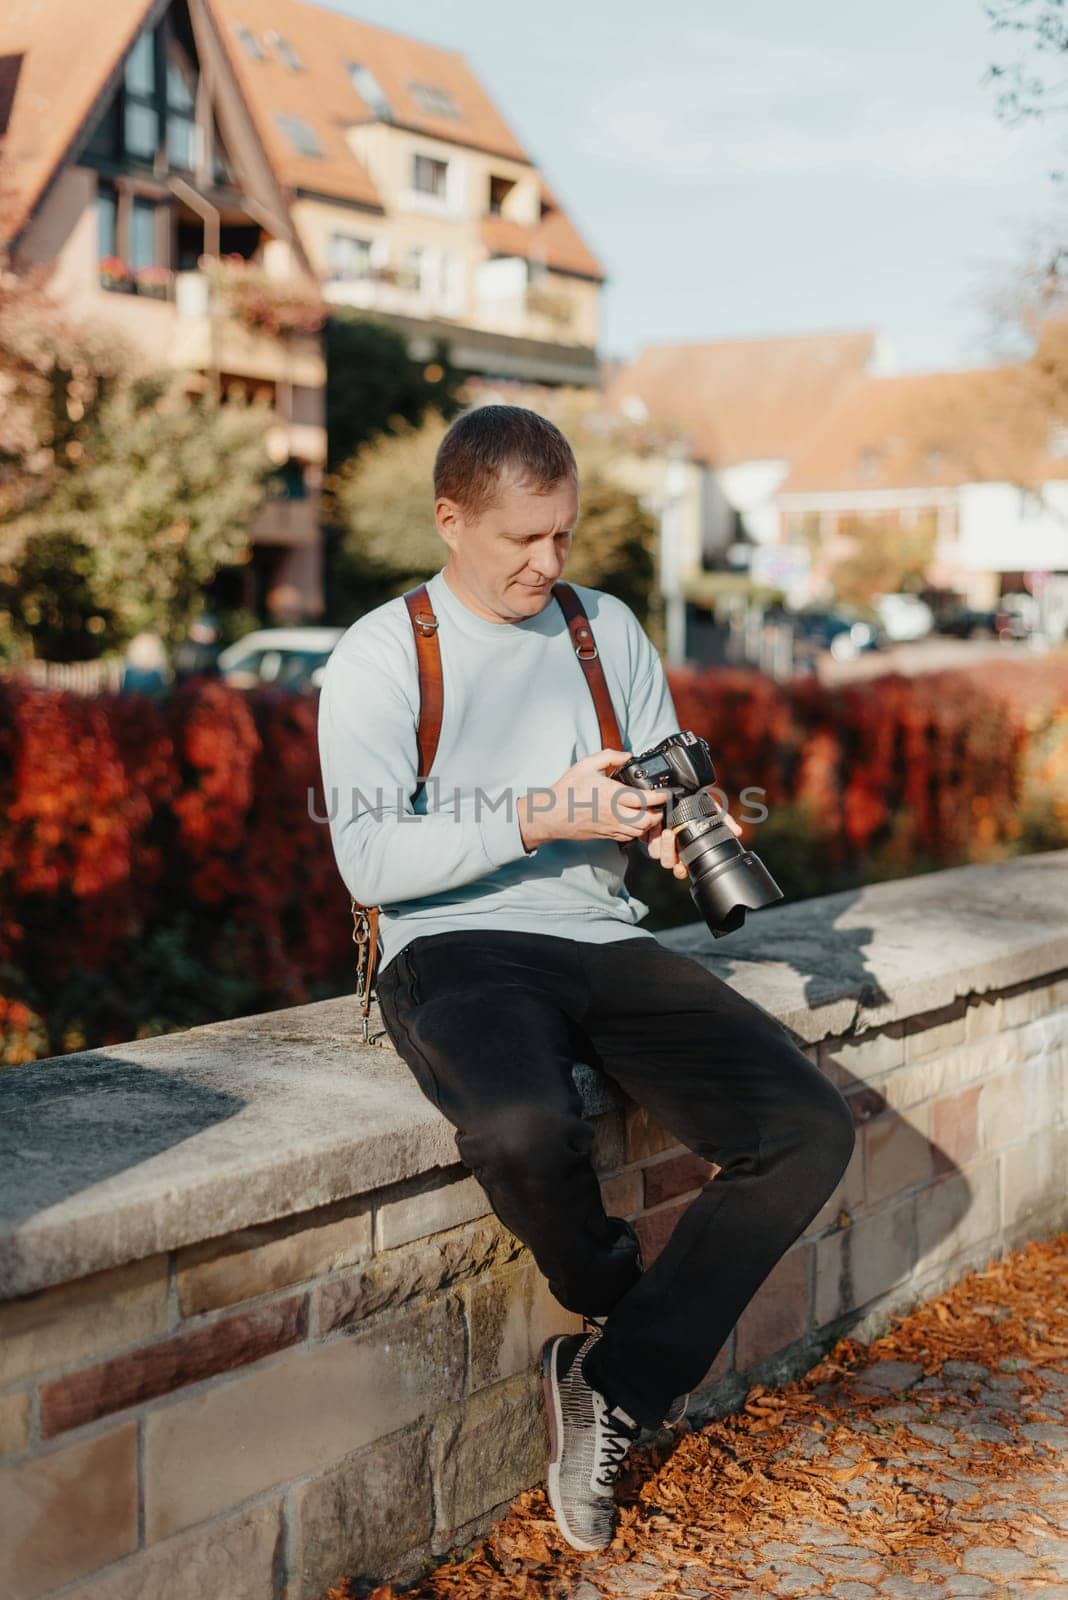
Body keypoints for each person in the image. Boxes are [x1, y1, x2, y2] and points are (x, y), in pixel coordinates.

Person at [316, 405, 855, 1554]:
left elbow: (659, 777)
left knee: (807, 1126)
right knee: (521, 1123)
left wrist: (675, 828)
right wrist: (537, 814)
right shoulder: (378, 653)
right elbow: (367, 857)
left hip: (603, 937)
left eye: (562, 535)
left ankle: (611, 1382)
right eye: (521, 540)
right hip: (450, 942)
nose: (547, 564)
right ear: (450, 519)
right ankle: (614, 1293)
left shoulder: (601, 628)